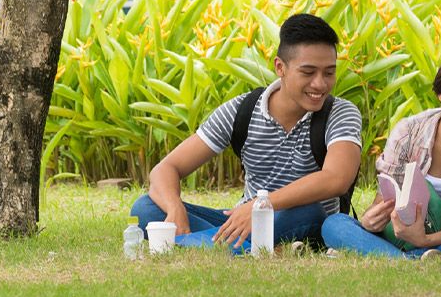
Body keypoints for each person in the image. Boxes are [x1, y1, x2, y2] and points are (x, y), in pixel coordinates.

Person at [129, 14, 363, 253]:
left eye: (329, 73)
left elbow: (336, 179)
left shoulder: (341, 113)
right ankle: (255, 249)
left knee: (310, 211)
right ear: (280, 67)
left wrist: (260, 206)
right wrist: (174, 208)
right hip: (243, 220)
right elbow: (165, 169)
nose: (320, 84)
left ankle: (211, 247)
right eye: (308, 72)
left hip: (300, 220)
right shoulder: (242, 111)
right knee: (146, 208)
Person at [320, 49, 441, 258]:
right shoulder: (409, 131)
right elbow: (384, 199)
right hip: (401, 233)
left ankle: (401, 255)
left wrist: (425, 240)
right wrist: (369, 222)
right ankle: (408, 260)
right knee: (335, 224)